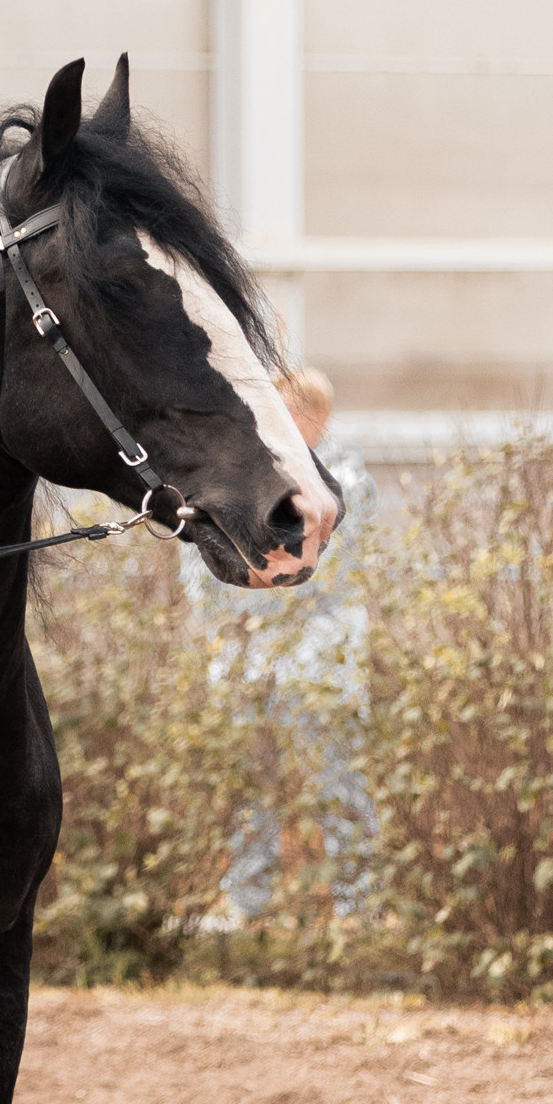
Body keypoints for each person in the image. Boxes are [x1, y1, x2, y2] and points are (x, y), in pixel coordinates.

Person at [181, 367, 377, 927]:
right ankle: (247, 903)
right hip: (246, 666)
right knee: (251, 786)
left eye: (285, 412)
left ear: (317, 418)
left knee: (339, 781)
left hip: (321, 665)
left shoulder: (344, 478)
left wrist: (253, 601)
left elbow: (325, 571)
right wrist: (224, 618)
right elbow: (201, 559)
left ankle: (357, 907)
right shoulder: (242, 471)